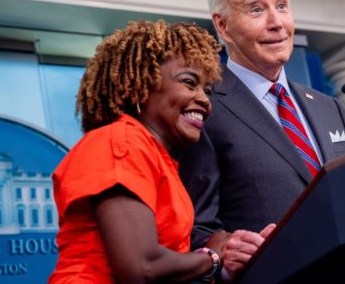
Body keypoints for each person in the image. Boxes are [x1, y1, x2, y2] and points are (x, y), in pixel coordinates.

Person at [179, 0, 345, 279]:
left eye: (282, 5)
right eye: (256, 9)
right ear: (222, 26)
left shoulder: (327, 106)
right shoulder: (204, 107)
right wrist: (222, 255)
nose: (277, 22)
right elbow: (192, 226)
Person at [49, 20, 231, 283]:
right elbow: (141, 268)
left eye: (207, 90)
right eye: (189, 83)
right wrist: (212, 257)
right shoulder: (119, 141)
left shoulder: (154, 154)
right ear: (142, 85)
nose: (204, 100)